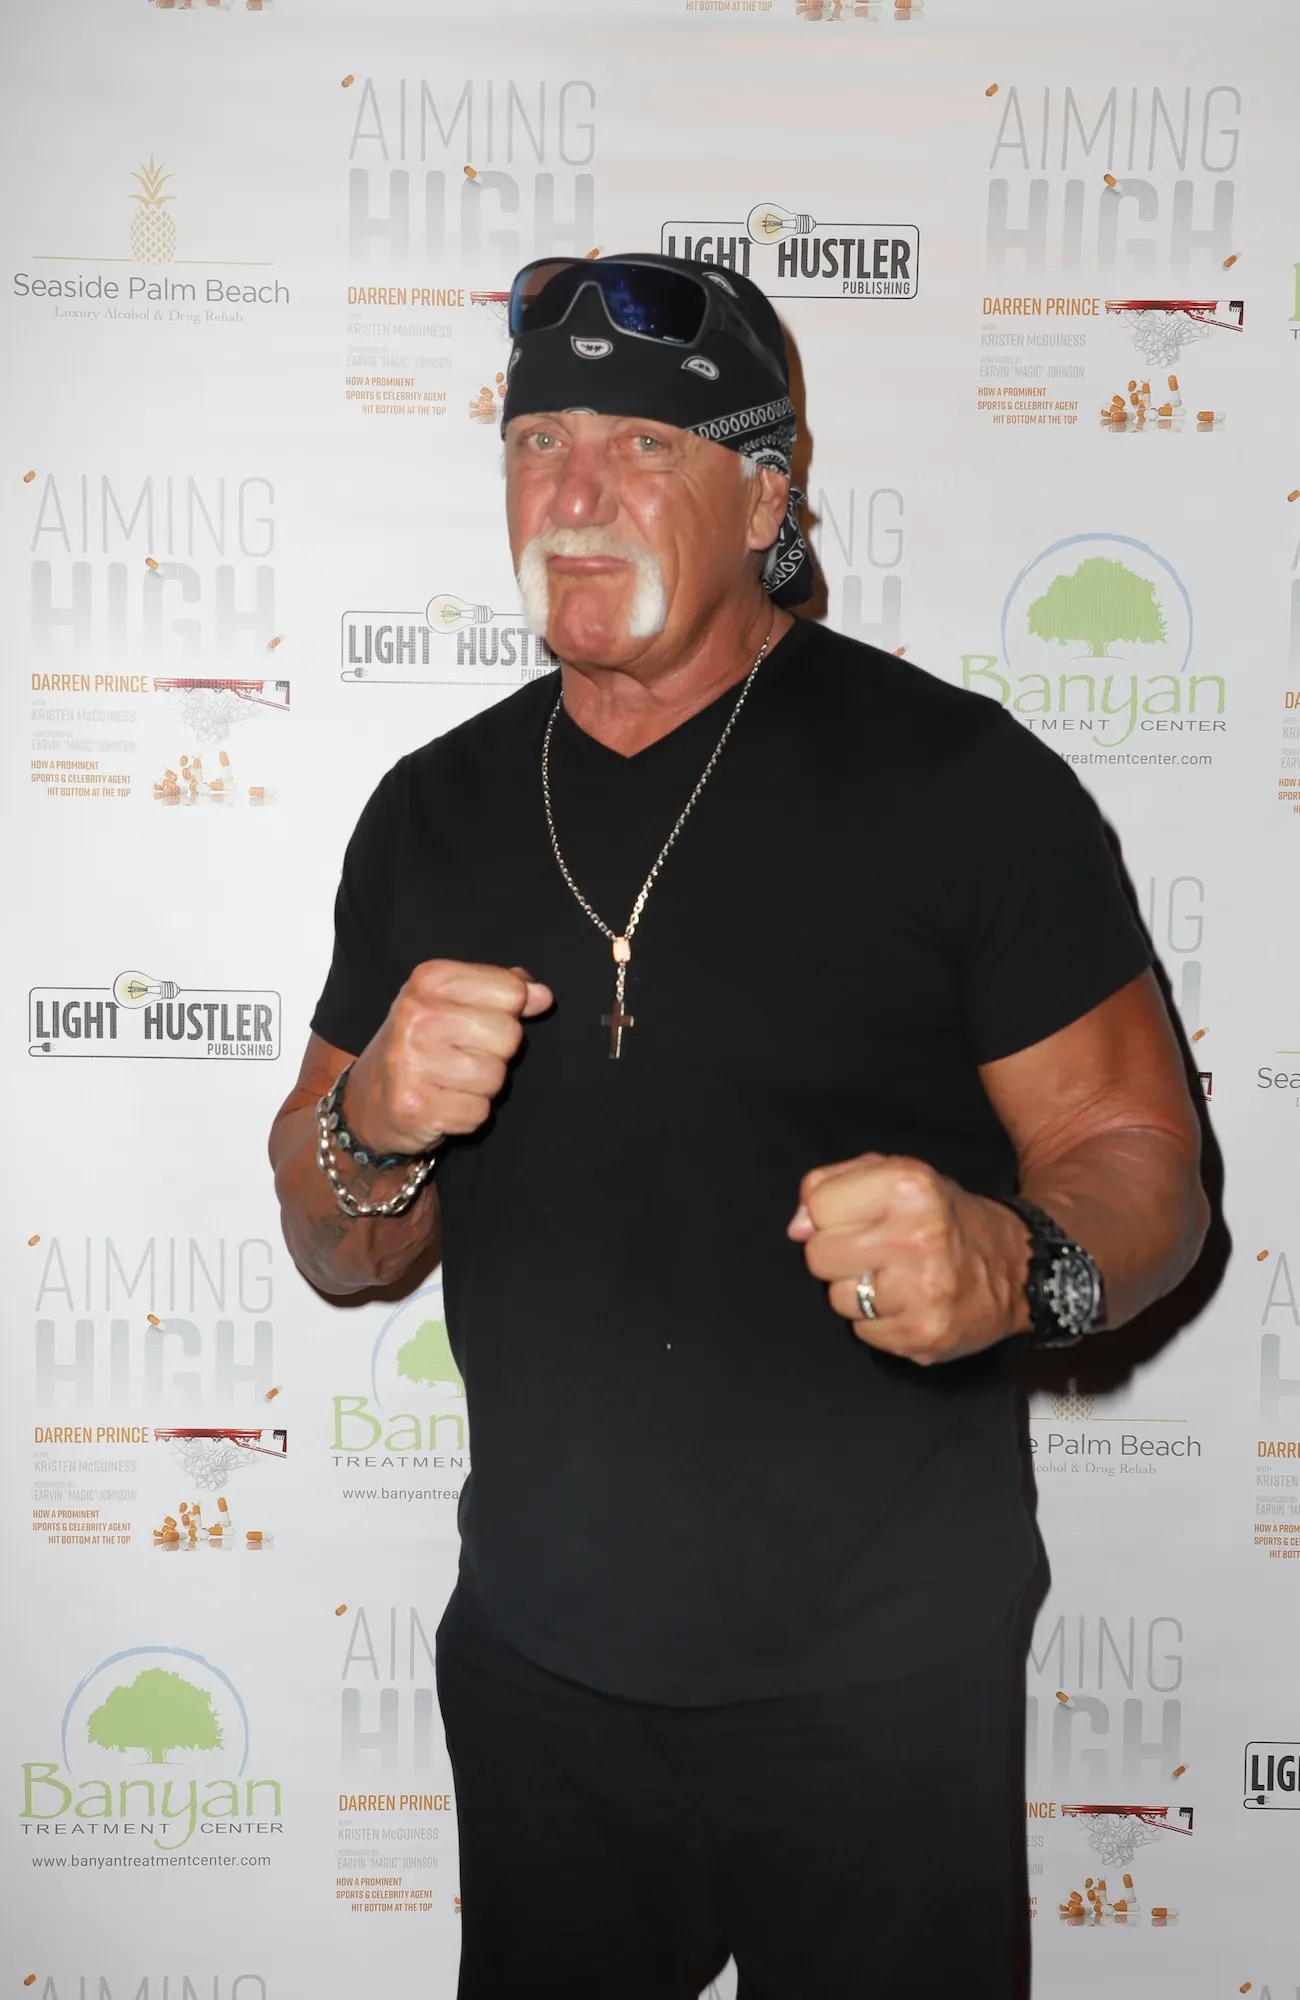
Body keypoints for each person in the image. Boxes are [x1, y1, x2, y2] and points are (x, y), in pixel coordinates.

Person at [270, 254, 1209, 1998]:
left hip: (882, 1682)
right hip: (541, 1670)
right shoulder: (431, 813)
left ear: (767, 495)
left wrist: (1022, 1264)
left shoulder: (962, 785)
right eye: (538, 441)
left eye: (644, 446)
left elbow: (1143, 1162)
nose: (573, 494)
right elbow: (337, 1248)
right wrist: (371, 1127)